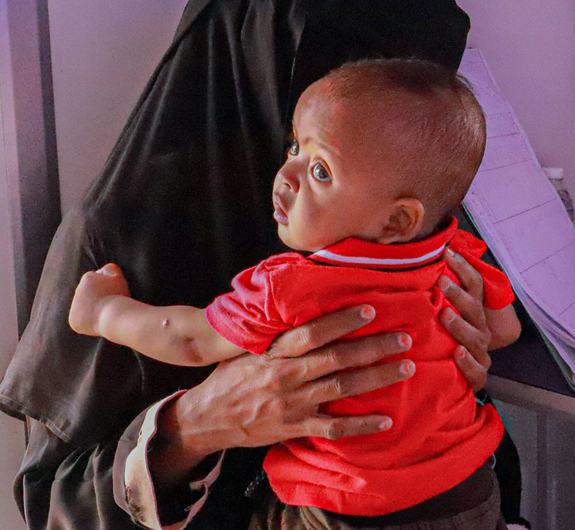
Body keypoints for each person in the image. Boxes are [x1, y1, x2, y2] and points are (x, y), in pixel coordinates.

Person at [0, 2, 526, 529]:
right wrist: (193, 426)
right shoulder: (122, 239)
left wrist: (461, 365)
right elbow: (53, 502)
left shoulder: (410, 216)